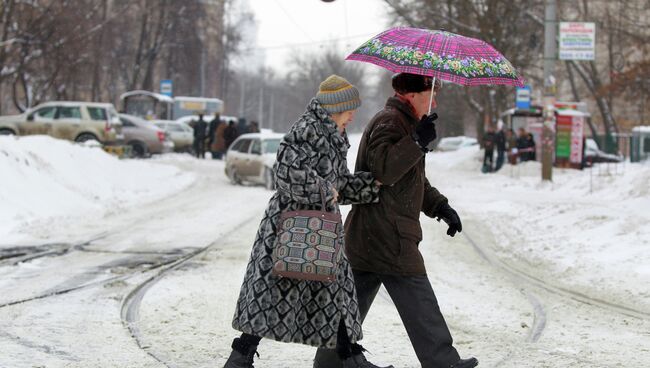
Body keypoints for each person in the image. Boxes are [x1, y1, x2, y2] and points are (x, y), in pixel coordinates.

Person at [224, 75, 391, 368]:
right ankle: (241, 356)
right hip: (290, 224)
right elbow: (286, 172)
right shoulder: (306, 129)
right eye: (349, 109)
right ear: (335, 108)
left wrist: (372, 186)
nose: (353, 115)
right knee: (271, 294)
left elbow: (338, 184)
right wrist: (325, 190)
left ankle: (351, 356)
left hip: (321, 225)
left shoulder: (335, 136)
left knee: (337, 291)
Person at [314, 73, 478, 368]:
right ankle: (443, 363)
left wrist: (440, 206)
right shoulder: (390, 122)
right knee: (418, 299)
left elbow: (412, 181)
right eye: (432, 93)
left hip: (373, 234)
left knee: (349, 303)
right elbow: (384, 172)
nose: (435, 100)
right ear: (413, 94)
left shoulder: (404, 123)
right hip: (386, 234)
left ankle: (329, 363)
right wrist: (416, 142)